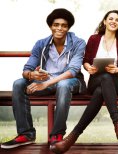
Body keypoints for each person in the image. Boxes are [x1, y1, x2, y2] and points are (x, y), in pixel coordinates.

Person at [1, 8, 86, 149]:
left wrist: (45, 84)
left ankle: (57, 135)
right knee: (18, 84)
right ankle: (26, 134)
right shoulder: (41, 44)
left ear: (68, 28)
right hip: (46, 82)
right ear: (50, 26)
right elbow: (27, 68)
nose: (60, 28)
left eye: (64, 25)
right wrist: (31, 75)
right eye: (56, 24)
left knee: (63, 85)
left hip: (72, 82)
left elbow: (73, 71)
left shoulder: (78, 43)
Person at [50, 10, 118, 153]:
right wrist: (89, 67)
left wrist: (116, 69)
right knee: (103, 81)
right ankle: (117, 123)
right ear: (105, 21)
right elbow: (86, 61)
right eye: (111, 18)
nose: (114, 21)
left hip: (116, 82)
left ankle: (71, 138)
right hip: (95, 80)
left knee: (104, 85)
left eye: (117, 20)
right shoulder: (94, 39)